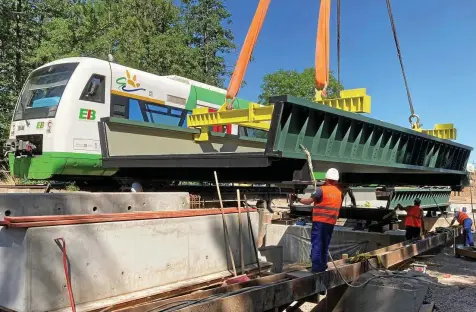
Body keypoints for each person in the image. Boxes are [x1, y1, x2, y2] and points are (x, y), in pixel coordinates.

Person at [294, 168, 344, 273]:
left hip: (320, 223)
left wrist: (296, 198)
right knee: (325, 245)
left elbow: (308, 202)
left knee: (317, 244)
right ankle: (322, 266)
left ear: (326, 178)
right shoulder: (339, 193)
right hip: (330, 223)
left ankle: (316, 269)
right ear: (336, 180)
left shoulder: (321, 190)